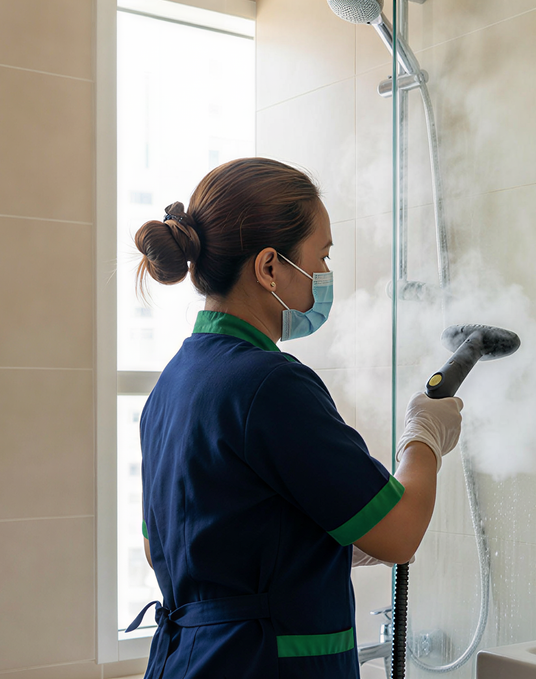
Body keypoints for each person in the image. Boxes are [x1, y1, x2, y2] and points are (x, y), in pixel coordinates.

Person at [128, 158, 462, 678]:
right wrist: (424, 436)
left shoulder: (171, 385)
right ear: (269, 267)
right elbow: (398, 534)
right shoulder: (270, 384)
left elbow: (166, 548)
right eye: (321, 257)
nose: (325, 276)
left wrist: (308, 546)